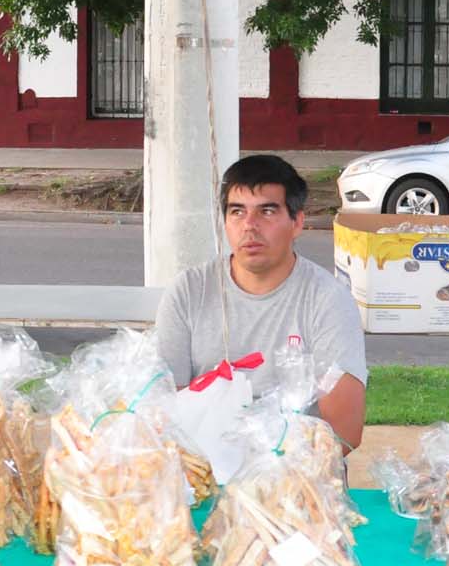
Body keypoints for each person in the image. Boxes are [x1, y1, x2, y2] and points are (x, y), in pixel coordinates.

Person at [153, 154, 368, 448]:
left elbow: (344, 433)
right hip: (204, 471)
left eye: (267, 211)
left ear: (297, 222)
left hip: (297, 474)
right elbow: (165, 413)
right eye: (237, 212)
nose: (250, 226)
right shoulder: (189, 291)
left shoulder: (328, 300)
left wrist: (265, 470)